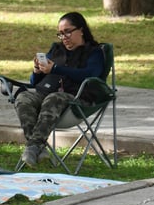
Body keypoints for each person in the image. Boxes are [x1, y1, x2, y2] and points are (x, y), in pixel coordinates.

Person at [14, 12, 105, 167]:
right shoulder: (56, 50)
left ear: (81, 30)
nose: (64, 37)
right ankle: (37, 147)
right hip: (45, 94)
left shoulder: (94, 52)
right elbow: (34, 82)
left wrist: (56, 68)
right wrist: (37, 71)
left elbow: (91, 74)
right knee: (23, 98)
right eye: (61, 34)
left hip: (77, 100)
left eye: (68, 32)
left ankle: (33, 146)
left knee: (54, 98)